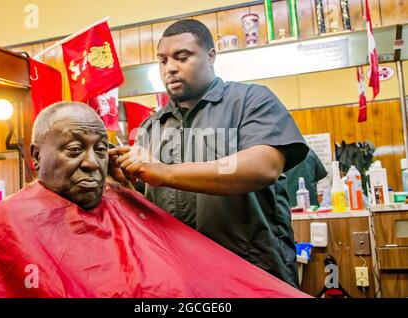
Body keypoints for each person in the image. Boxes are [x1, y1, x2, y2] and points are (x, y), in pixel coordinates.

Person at [0, 102, 308, 298]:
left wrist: (144, 184)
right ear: (36, 155)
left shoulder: (248, 104)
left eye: (101, 149)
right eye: (76, 150)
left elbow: (264, 167)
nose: (93, 162)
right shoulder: (7, 227)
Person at [109, 19, 309, 288]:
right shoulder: (151, 127)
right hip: (180, 277)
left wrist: (165, 172)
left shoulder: (251, 100)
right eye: (163, 60)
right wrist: (125, 184)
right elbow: (149, 202)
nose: (170, 68)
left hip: (252, 274)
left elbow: (264, 167)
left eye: (182, 57)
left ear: (211, 56)